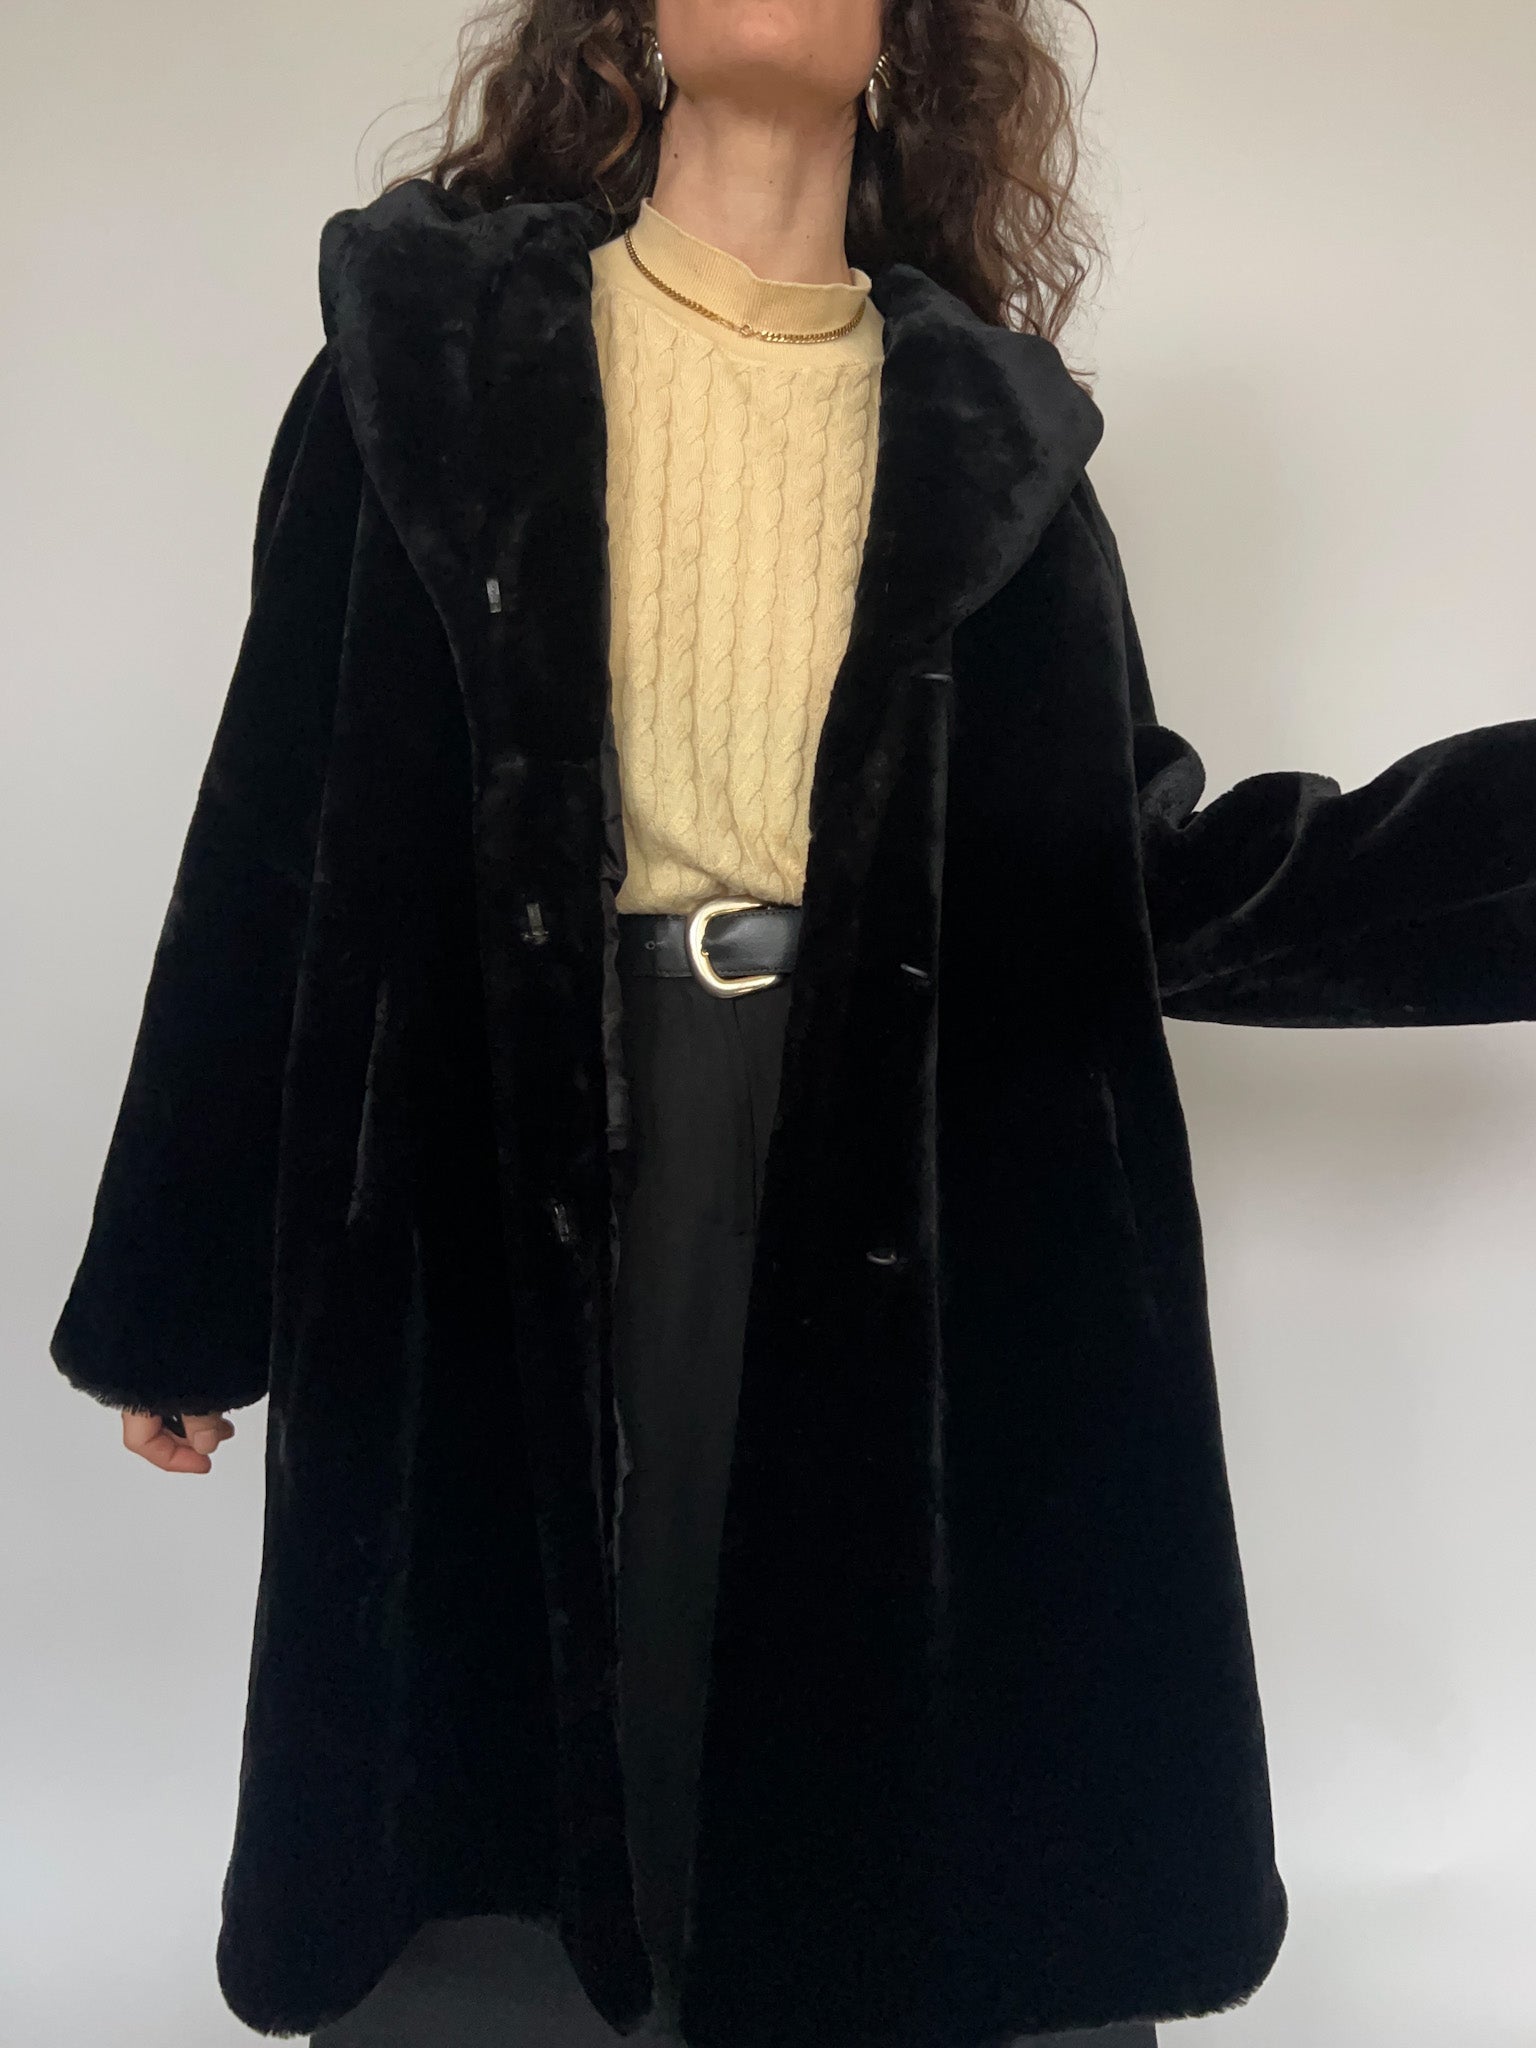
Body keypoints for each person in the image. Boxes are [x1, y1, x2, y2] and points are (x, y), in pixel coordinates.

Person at [50, 3, 1535, 2046]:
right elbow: (277, 831)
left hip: (898, 1163)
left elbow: (1138, 873)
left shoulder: (1001, 458)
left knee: (870, 1790)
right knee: (513, 1798)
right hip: (512, 1155)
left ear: (908, 39)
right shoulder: (425, 367)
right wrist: (180, 1290)